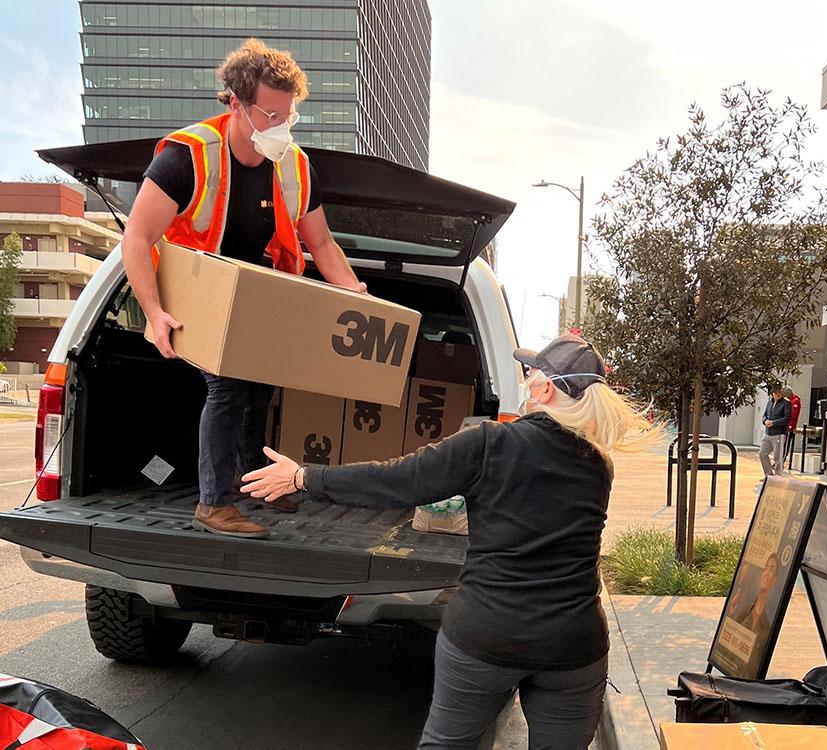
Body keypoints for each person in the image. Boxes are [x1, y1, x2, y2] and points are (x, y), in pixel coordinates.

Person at [240, 335, 662, 749]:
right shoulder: (598, 465)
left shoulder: (491, 443)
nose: (526, 379)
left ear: (546, 388)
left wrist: (303, 478)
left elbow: (398, 480)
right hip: (573, 644)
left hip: (487, 633)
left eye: (530, 372)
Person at [121, 39, 365, 539]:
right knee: (228, 386)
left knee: (259, 388)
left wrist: (353, 295)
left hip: (258, 290)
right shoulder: (186, 157)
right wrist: (154, 311)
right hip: (198, 286)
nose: (281, 126)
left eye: (288, 116)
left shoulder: (295, 166)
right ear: (236, 103)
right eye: (270, 114)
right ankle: (214, 504)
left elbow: (320, 243)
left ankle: (254, 487)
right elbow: (138, 238)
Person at [759, 387, 791, 479]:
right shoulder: (769, 403)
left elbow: (787, 418)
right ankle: (768, 475)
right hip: (767, 433)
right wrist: (765, 421)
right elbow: (764, 415)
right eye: (776, 392)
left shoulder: (786, 403)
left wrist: (773, 423)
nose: (778, 394)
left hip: (779, 434)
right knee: (762, 454)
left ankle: (778, 476)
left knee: (777, 457)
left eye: (780, 392)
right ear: (772, 393)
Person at [782, 386, 801, 470]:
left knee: (786, 445)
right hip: (784, 426)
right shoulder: (790, 401)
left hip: (789, 427)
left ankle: (782, 460)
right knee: (782, 444)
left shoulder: (795, 401)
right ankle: (779, 460)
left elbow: (792, 415)